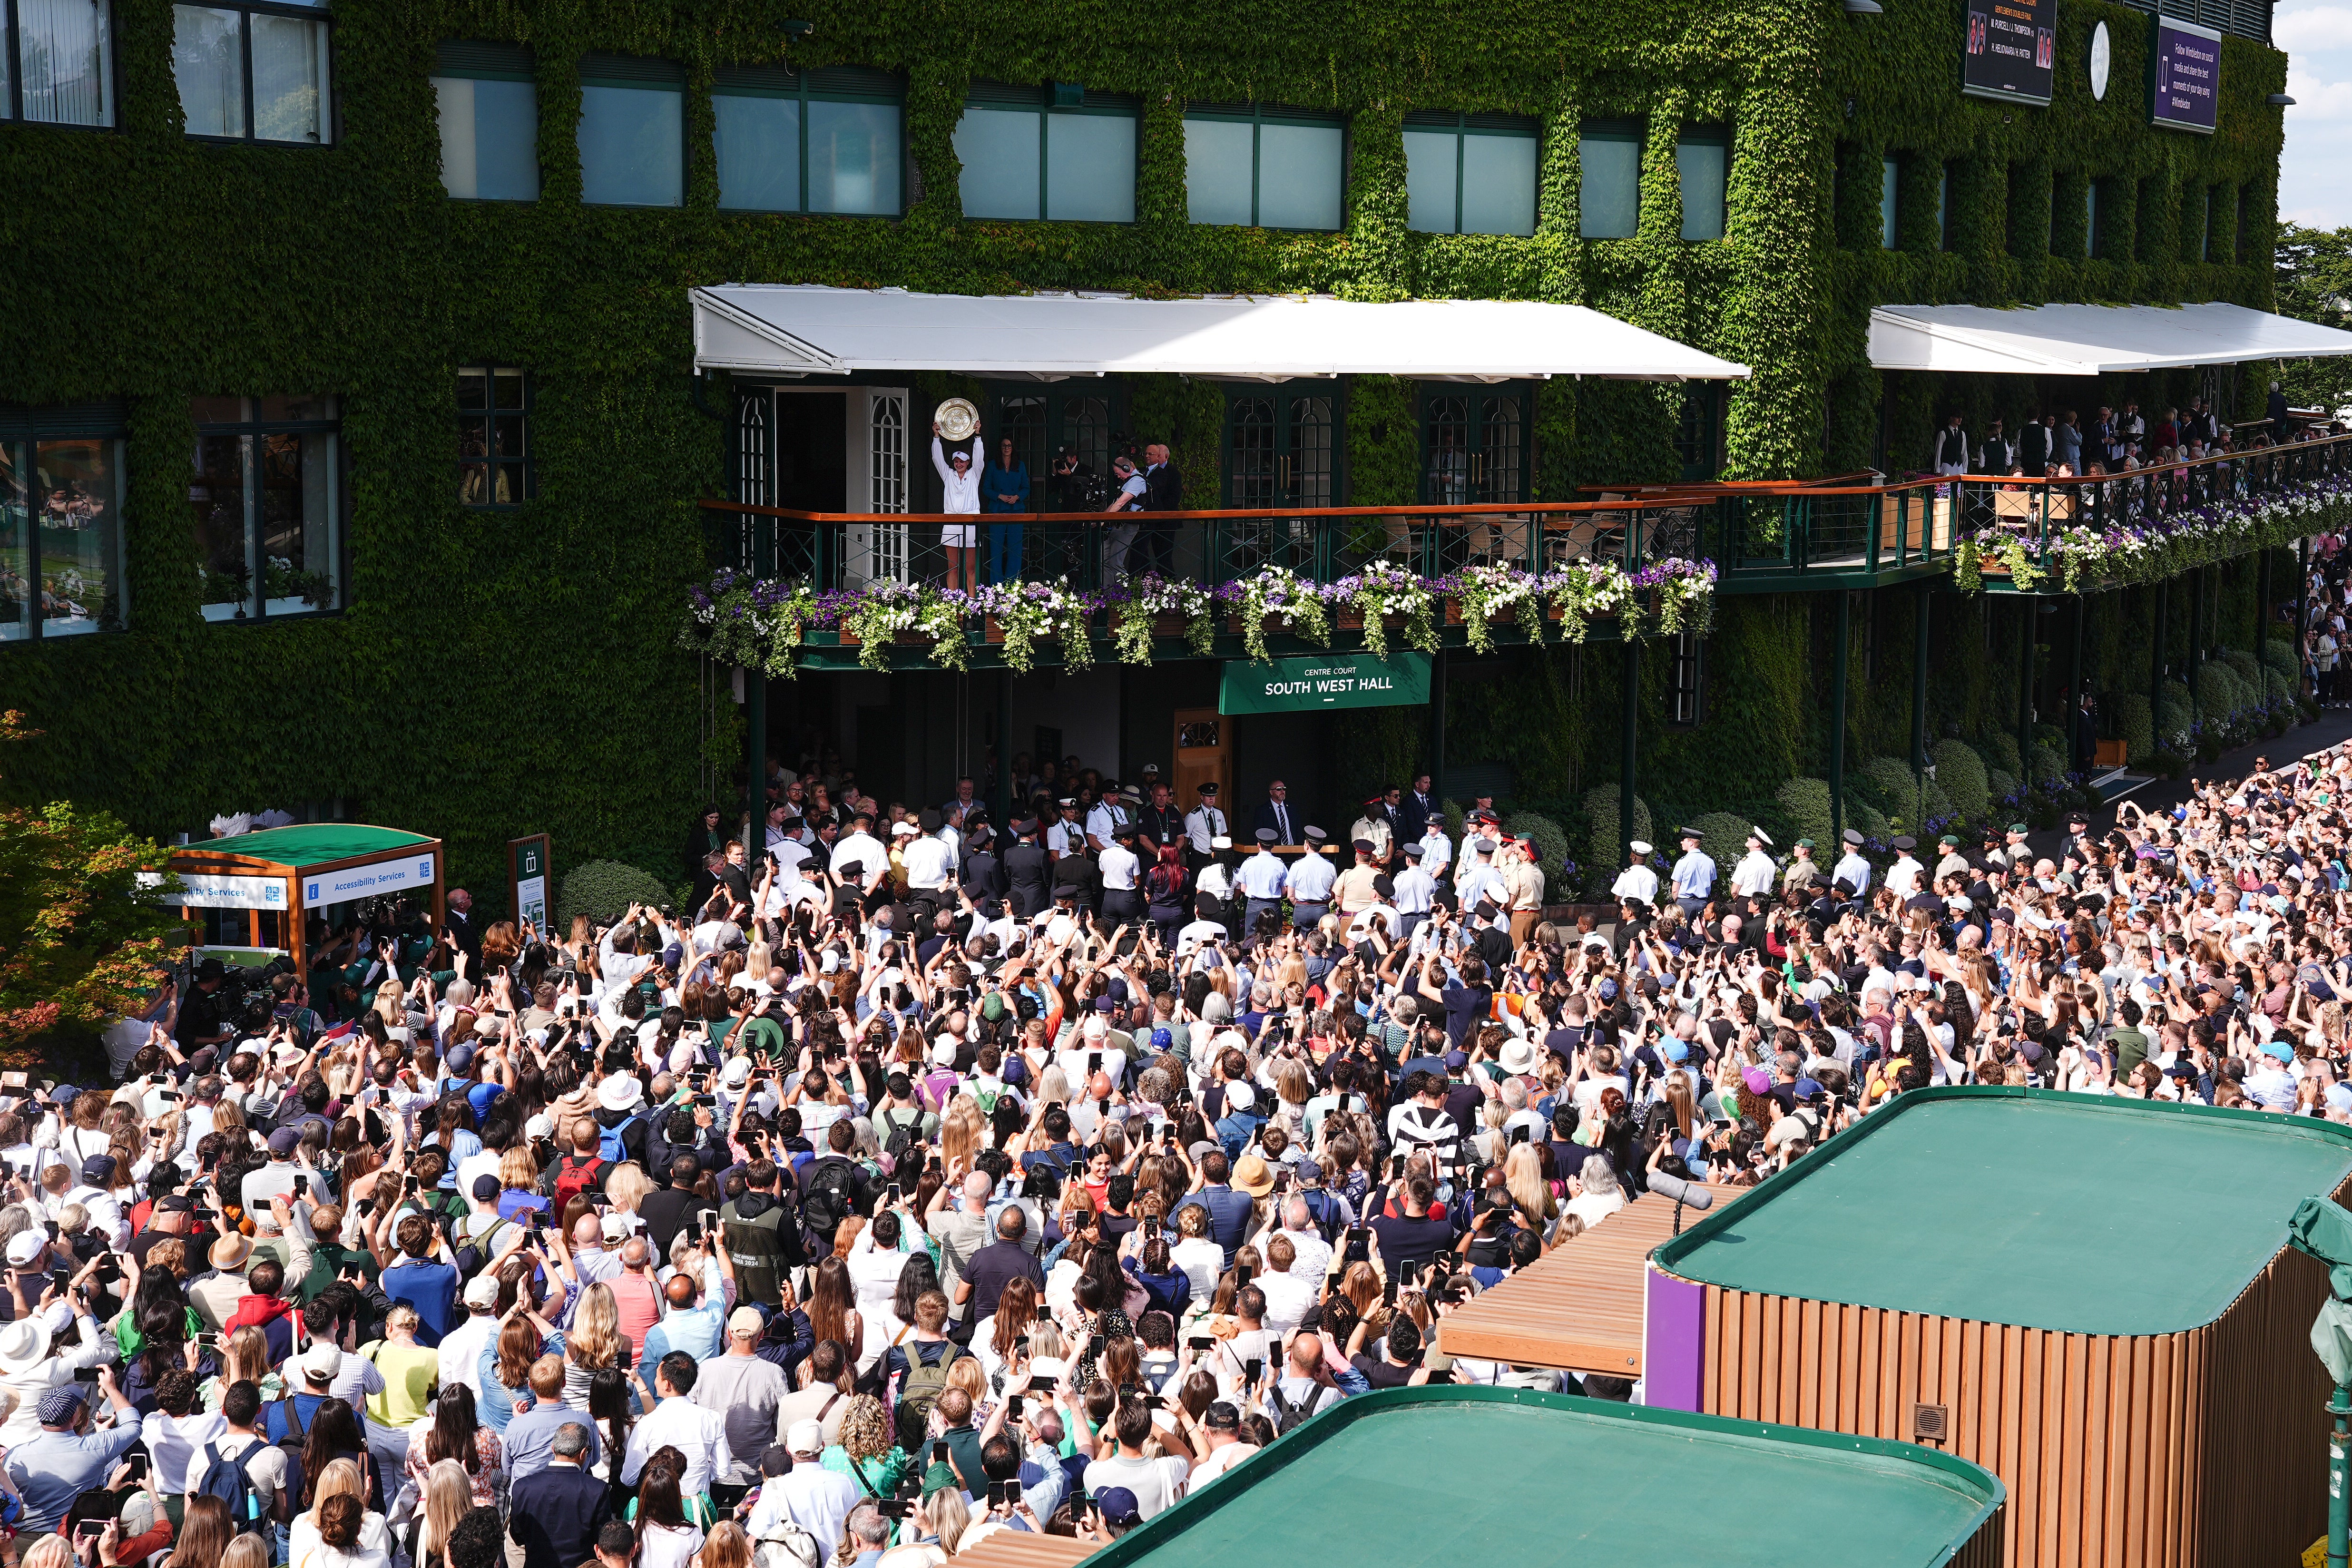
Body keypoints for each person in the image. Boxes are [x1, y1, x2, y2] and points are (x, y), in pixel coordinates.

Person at [509, 1424, 613, 1568]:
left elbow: (518, 1535)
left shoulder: (523, 1487)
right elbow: (602, 1537)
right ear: (583, 1454)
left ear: (553, 1449)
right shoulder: (596, 1490)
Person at [930, 423, 983, 594]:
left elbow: (980, 458)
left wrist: (978, 436)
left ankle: (972, 602)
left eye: (962, 461)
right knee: (952, 567)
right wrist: (936, 437)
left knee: (971, 569)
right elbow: (937, 459)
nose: (959, 464)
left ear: (968, 462)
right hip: (951, 522)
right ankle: (953, 602)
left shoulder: (975, 474)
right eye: (956, 461)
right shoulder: (948, 475)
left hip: (971, 523)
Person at [980, 435, 1029, 586]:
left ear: (1013, 449)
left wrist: (1017, 497)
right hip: (997, 510)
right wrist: (999, 496)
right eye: (1004, 446)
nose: (1007, 449)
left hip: (1016, 510)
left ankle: (1013, 585)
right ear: (1000, 449)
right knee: (996, 550)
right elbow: (986, 488)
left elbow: (1026, 488)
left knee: (1015, 550)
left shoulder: (1020, 466)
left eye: (1009, 446)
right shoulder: (993, 466)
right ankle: (996, 586)